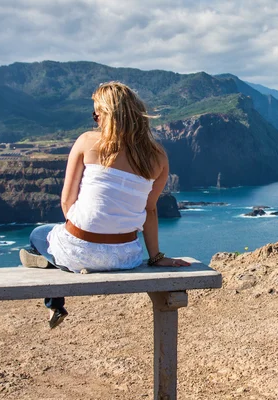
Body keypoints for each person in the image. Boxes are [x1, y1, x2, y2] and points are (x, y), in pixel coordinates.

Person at [19, 81, 190, 329]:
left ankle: (53, 295)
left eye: (95, 114)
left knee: (38, 234)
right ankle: (55, 264)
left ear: (106, 114)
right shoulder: (158, 156)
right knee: (55, 243)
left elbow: (67, 200)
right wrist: (156, 257)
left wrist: (81, 239)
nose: (95, 120)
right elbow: (149, 210)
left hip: (79, 251)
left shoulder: (87, 141)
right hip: (125, 257)